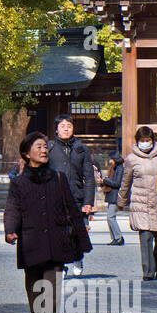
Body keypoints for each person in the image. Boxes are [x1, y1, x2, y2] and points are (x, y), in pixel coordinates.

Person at [3, 131, 91, 313]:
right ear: (26, 153)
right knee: (34, 291)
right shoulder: (19, 183)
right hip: (30, 241)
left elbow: (71, 209)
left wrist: (82, 241)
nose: (43, 150)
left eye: (45, 147)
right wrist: (10, 230)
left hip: (56, 241)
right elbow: (12, 208)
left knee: (51, 291)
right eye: (38, 147)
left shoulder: (59, 178)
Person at [118, 126, 157, 281]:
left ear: (153, 140)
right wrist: (121, 200)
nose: (145, 143)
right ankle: (148, 272)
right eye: (142, 140)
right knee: (145, 238)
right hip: (141, 203)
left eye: (147, 140)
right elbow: (126, 181)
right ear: (138, 142)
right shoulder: (131, 159)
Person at [48, 114, 96, 278]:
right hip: (54, 197)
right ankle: (60, 265)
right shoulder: (50, 148)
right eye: (62, 126)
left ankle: (77, 258)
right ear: (56, 129)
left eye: (69, 125)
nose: (66, 129)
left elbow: (89, 178)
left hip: (76, 196)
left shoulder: (81, 149)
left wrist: (89, 201)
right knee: (57, 233)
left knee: (75, 232)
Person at [100, 152, 124, 246]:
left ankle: (119, 237)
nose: (110, 161)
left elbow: (117, 183)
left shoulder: (120, 169)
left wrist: (106, 180)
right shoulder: (115, 168)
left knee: (110, 217)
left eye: (111, 159)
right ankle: (114, 237)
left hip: (115, 195)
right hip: (111, 195)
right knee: (109, 217)